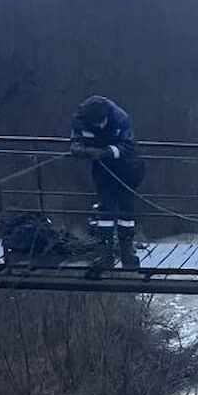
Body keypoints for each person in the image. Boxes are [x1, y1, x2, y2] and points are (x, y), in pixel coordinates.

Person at [69, 95, 143, 268]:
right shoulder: (80, 121)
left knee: (127, 209)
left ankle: (127, 252)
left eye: (102, 122)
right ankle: (105, 255)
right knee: (105, 209)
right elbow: (76, 141)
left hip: (127, 167)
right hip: (102, 170)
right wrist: (80, 150)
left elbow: (129, 145)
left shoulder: (120, 117)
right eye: (96, 124)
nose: (100, 126)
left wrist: (108, 151)